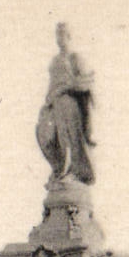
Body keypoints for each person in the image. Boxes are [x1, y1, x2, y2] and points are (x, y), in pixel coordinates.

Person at [36, 22, 96, 185]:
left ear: (69, 36)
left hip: (69, 103)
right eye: (57, 35)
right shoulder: (55, 61)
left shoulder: (75, 58)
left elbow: (86, 82)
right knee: (49, 137)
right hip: (54, 105)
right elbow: (51, 83)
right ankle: (60, 168)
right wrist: (49, 99)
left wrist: (65, 88)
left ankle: (73, 171)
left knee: (70, 137)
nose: (59, 39)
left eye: (62, 35)